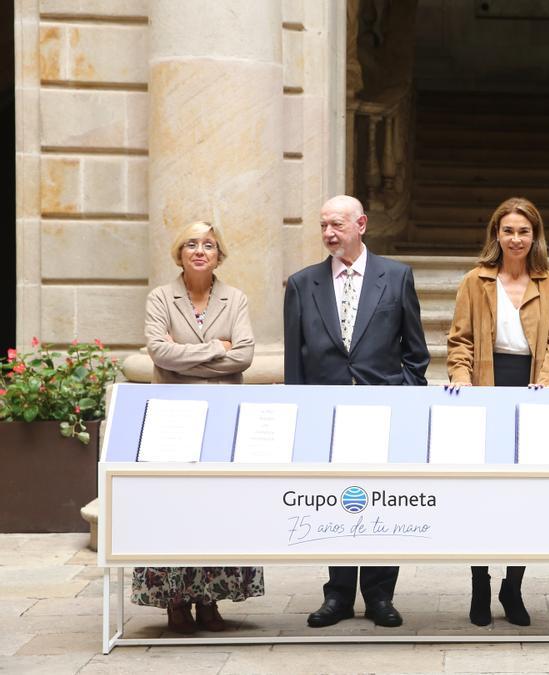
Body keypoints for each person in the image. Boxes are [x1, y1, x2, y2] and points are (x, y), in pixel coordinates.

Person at [284, 195, 430, 628]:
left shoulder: (396, 276)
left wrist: (403, 396)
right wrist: (301, 413)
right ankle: (339, 595)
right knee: (335, 502)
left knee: (384, 499)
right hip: (326, 415)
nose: (329, 233)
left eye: (337, 225)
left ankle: (380, 595)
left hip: (384, 411)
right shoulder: (302, 284)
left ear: (361, 224)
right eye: (323, 225)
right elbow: (295, 359)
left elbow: (416, 352)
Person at [444, 197, 549, 627]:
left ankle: (513, 585)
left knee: (524, 496)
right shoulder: (475, 281)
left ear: (535, 236)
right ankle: (479, 582)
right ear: (496, 234)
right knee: (480, 494)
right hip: (485, 387)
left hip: (531, 390)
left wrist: (547, 382)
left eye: (523, 231)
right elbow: (459, 340)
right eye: (508, 230)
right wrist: (461, 377)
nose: (516, 239)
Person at [135, 220, 261, 633]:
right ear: (180, 253)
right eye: (191, 244)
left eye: (208, 244)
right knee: (173, 509)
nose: (200, 251)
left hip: (221, 418)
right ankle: (174, 602)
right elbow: (159, 352)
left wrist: (184, 356)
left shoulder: (235, 298)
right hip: (172, 419)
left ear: (219, 255)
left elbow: (244, 356)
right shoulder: (160, 297)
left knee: (217, 507)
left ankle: (210, 600)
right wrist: (215, 349)